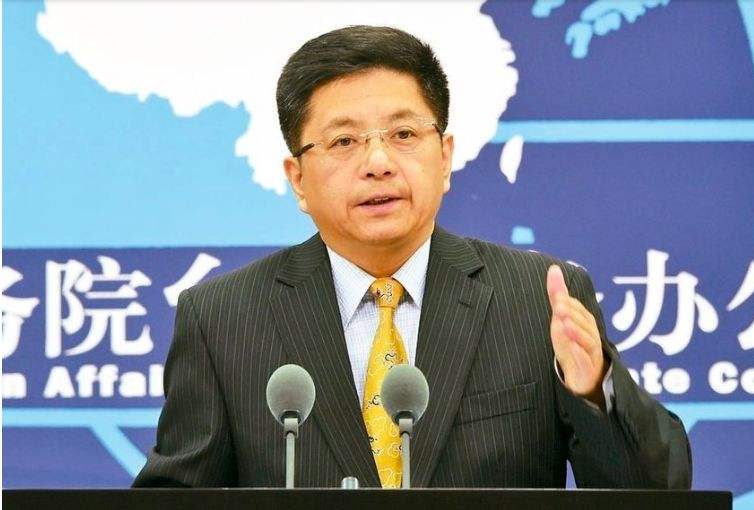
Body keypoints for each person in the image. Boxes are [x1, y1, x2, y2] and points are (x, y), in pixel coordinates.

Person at [133, 25, 691, 489]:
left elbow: (660, 488)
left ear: (444, 157)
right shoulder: (223, 319)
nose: (378, 163)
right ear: (297, 179)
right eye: (344, 141)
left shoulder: (537, 297)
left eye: (403, 134)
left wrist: (594, 390)